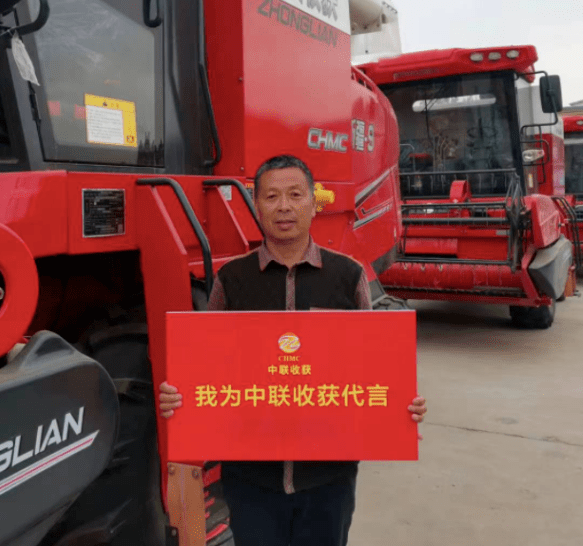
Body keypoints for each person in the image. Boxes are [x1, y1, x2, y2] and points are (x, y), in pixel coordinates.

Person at [158, 154, 427, 546]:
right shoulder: (232, 280)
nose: (283, 206)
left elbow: (369, 368)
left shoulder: (348, 276)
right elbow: (207, 366)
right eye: (271, 196)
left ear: (313, 203)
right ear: (257, 205)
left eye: (295, 195)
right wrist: (179, 395)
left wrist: (401, 404)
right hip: (251, 479)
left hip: (328, 479)